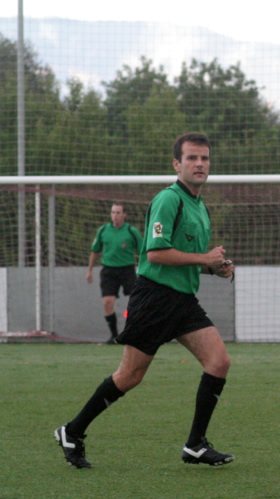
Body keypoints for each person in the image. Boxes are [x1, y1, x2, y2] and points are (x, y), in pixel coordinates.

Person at [55, 133, 236, 470]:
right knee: (129, 376)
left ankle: (195, 445)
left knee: (219, 362)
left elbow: (184, 259)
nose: (199, 164)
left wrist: (213, 268)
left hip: (183, 301)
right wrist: (204, 258)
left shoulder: (200, 206)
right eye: (192, 158)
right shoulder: (169, 199)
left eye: (205, 158)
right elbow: (155, 253)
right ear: (177, 164)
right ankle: (72, 431)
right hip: (155, 299)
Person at [86, 203, 143, 344]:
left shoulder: (131, 231)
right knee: (107, 302)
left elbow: (143, 252)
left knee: (135, 302)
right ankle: (114, 336)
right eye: (113, 212)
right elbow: (95, 250)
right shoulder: (103, 230)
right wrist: (89, 270)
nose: (115, 215)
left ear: (124, 214)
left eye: (118, 213)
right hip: (109, 271)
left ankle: (134, 332)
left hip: (127, 270)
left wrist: (143, 270)